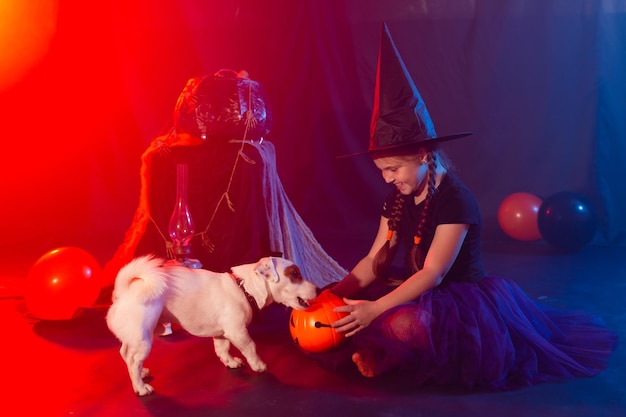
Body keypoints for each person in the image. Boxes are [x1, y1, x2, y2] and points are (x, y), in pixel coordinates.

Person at [318, 23, 618, 390]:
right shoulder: (397, 198)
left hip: (458, 299)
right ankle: (382, 349)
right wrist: (337, 293)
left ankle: (387, 353)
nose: (387, 179)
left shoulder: (454, 199)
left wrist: (376, 308)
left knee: (404, 324)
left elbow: (433, 274)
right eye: (382, 171)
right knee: (340, 315)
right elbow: (371, 261)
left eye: (393, 169)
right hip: (416, 289)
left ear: (424, 155)